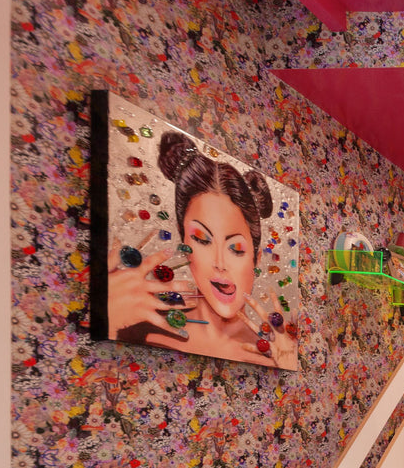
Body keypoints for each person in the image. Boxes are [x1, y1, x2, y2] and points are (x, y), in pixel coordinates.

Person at [106, 130, 296, 369]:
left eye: (236, 248)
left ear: (256, 258)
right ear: (186, 245)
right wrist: (108, 316)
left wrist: (286, 362)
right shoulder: (138, 324)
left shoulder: (276, 354)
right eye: (202, 240)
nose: (219, 262)